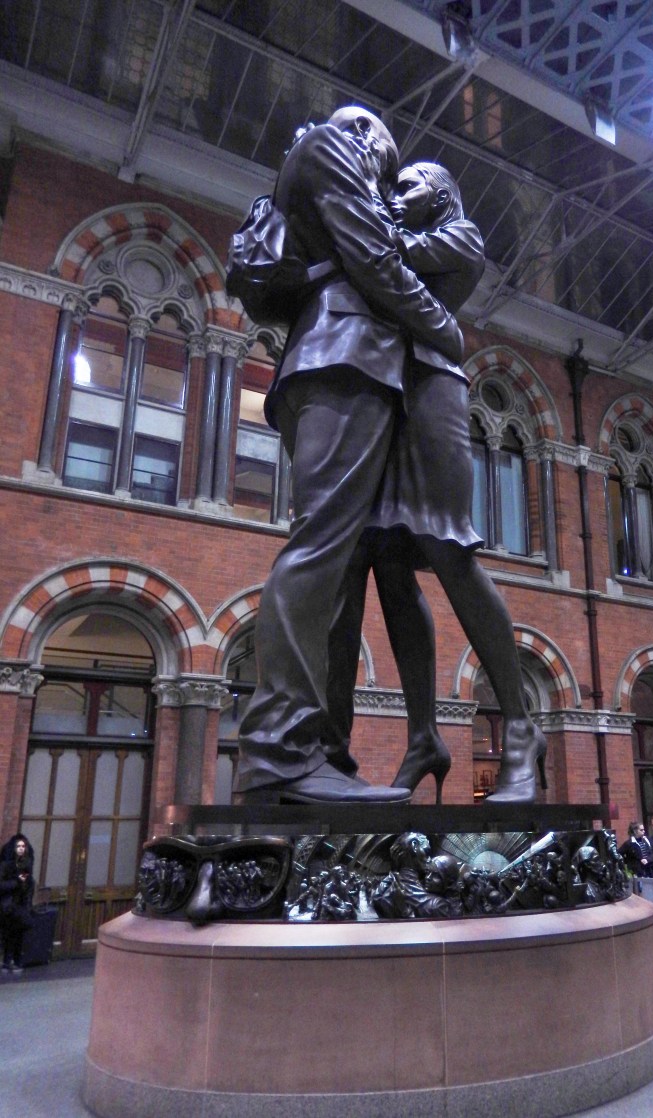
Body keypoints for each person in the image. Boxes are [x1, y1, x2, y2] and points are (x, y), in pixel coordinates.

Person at [233, 107, 464, 804]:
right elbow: (375, 260)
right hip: (343, 360)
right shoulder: (334, 144)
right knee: (318, 551)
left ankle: (321, 753)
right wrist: (446, 331)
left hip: (346, 367)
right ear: (368, 133)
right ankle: (279, 750)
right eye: (389, 161)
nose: (388, 178)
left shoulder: (321, 165)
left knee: (334, 567)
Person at [326, 161, 547, 802]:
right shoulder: (399, 230)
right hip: (387, 394)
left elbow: (378, 254)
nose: (397, 194)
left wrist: (356, 213)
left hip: (433, 392)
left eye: (410, 184)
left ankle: (522, 729)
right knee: (386, 562)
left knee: (450, 546)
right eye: (392, 187)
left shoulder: (462, 236)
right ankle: (423, 734)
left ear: (443, 190)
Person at [0, 834, 35, 975]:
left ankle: (12, 960)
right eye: (18, 847)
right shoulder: (6, 866)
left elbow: (28, 884)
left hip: (18, 904)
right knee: (9, 933)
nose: (21, 849)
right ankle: (8, 961)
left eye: (23, 847)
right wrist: (17, 883)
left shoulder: (26, 865)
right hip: (8, 905)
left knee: (16, 933)